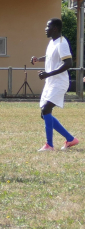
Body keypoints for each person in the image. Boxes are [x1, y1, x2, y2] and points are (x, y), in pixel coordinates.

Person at [31, 18, 78, 151]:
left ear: (55, 28)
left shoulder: (62, 43)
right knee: (44, 114)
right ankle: (70, 139)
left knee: (46, 110)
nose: (46, 29)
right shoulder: (53, 42)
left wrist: (48, 74)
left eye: (48, 27)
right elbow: (51, 57)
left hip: (59, 83)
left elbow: (68, 63)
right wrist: (38, 59)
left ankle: (49, 145)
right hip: (50, 82)